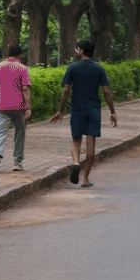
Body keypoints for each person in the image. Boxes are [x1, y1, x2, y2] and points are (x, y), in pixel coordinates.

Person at [49, 40, 117, 187]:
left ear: (81, 50)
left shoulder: (73, 67)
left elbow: (66, 90)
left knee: (76, 140)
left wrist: (60, 110)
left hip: (77, 108)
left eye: (77, 49)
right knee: (91, 142)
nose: (76, 51)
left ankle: (75, 162)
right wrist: (112, 112)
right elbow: (106, 92)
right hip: (94, 109)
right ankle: (86, 178)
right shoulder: (99, 68)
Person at [0, 45, 30, 173]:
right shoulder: (23, 68)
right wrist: (28, 107)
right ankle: (17, 163)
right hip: (19, 107)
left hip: (2, 105)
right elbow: (25, 88)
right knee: (20, 132)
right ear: (19, 55)